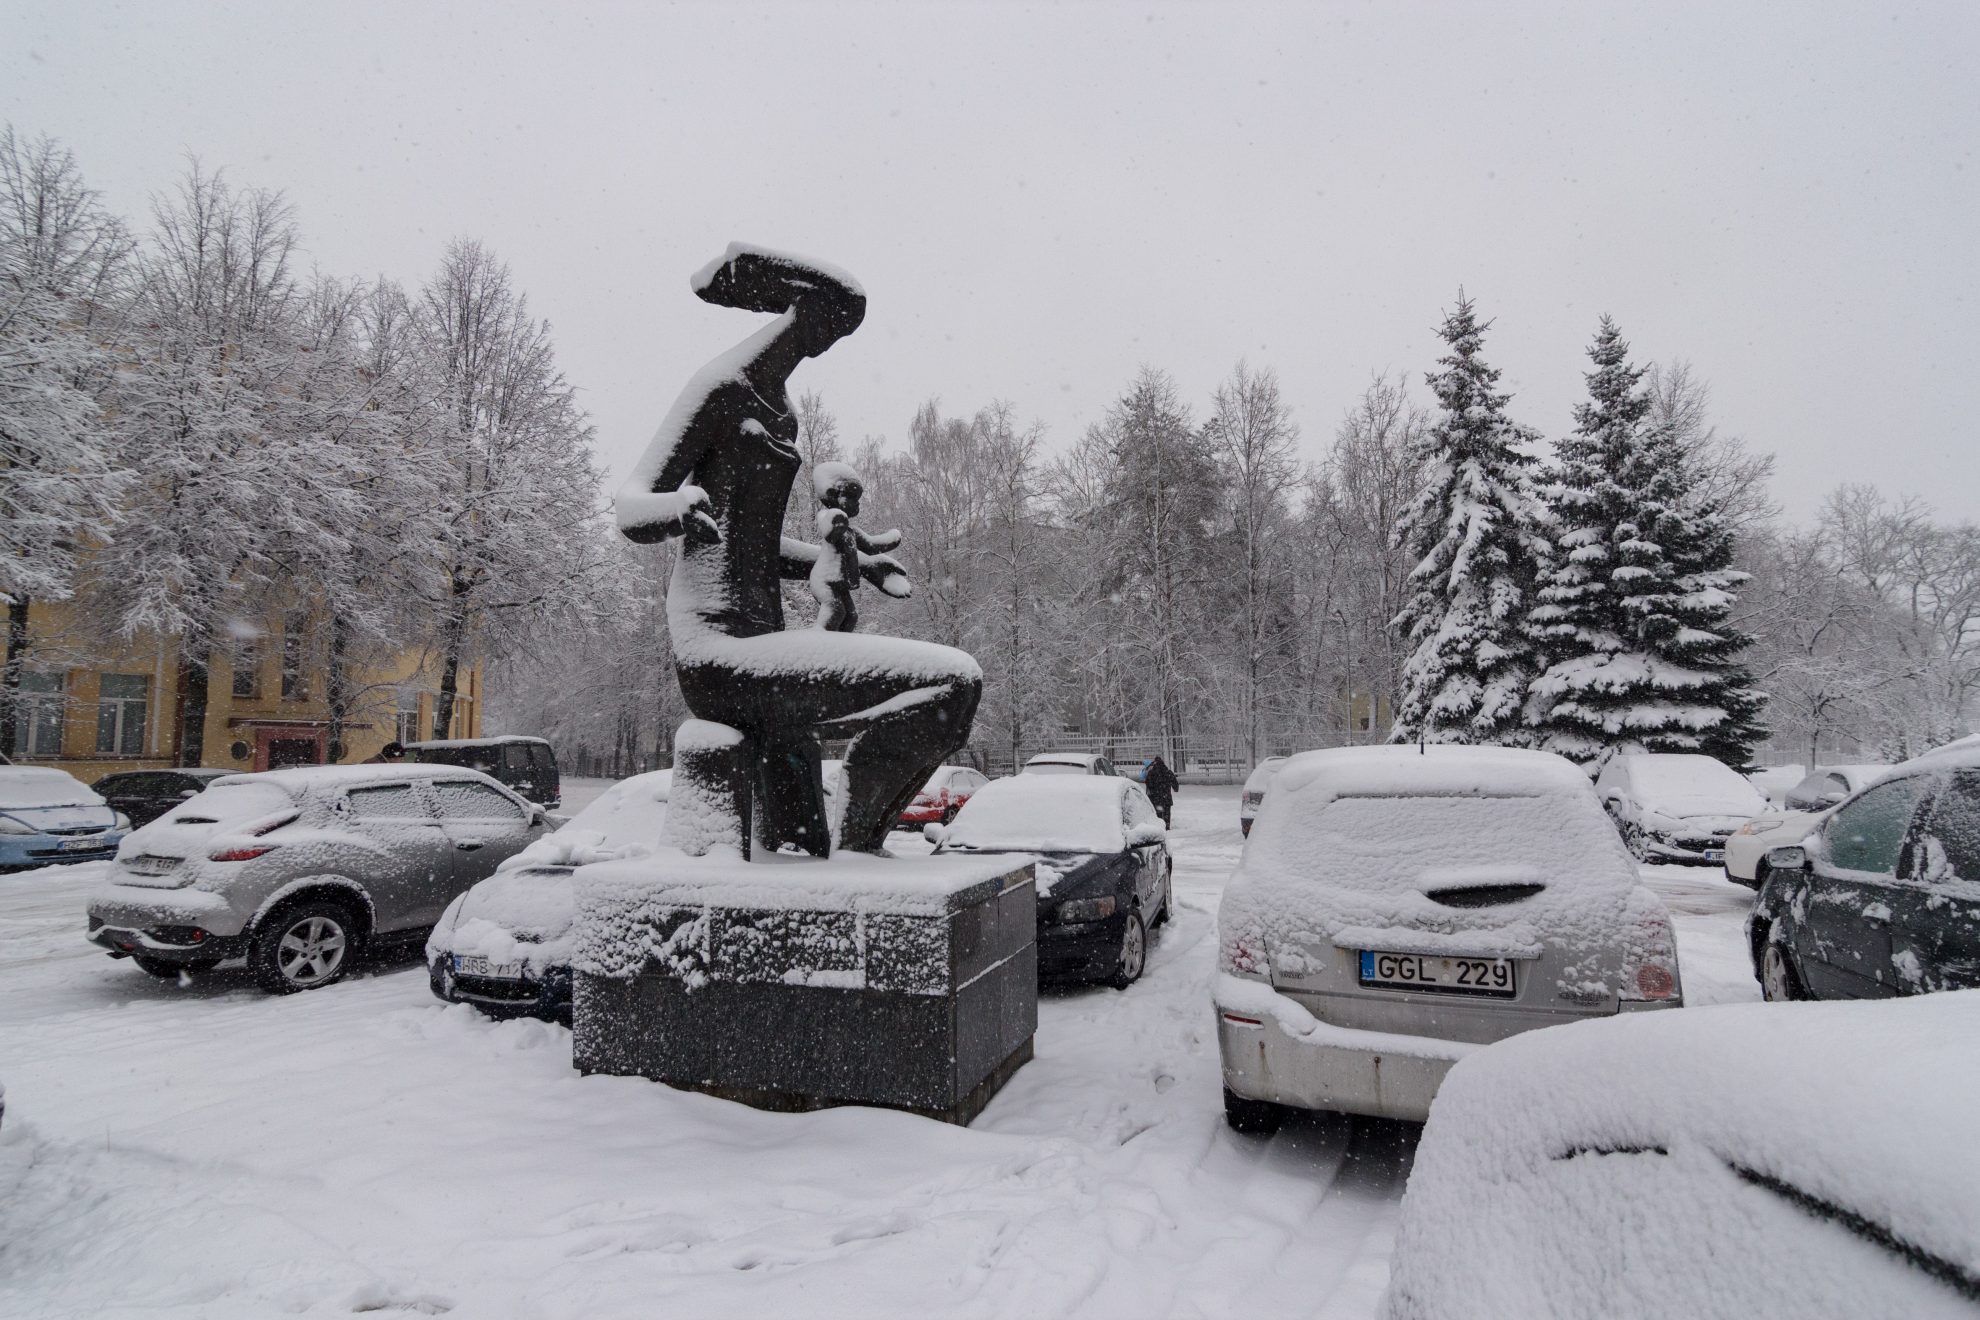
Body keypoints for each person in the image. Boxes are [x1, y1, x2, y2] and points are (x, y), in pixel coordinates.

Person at [616, 245, 981, 854]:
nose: (825, 341)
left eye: (835, 333)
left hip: (765, 640)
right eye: (827, 325)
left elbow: (759, 547)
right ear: (799, 312)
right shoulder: (718, 388)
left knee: (951, 689)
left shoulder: (783, 414)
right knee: (951, 684)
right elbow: (631, 507)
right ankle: (857, 843)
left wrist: (855, 562)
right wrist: (677, 510)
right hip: (716, 649)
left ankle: (848, 846)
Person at [1144, 754, 1180, 828]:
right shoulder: (1168, 772)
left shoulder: (1151, 773)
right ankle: (1167, 825)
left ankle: (1159, 826)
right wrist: (1175, 788)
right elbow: (1175, 785)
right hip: (1166, 798)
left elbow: (1148, 784)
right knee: (1167, 813)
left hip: (1157, 798)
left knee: (1159, 813)